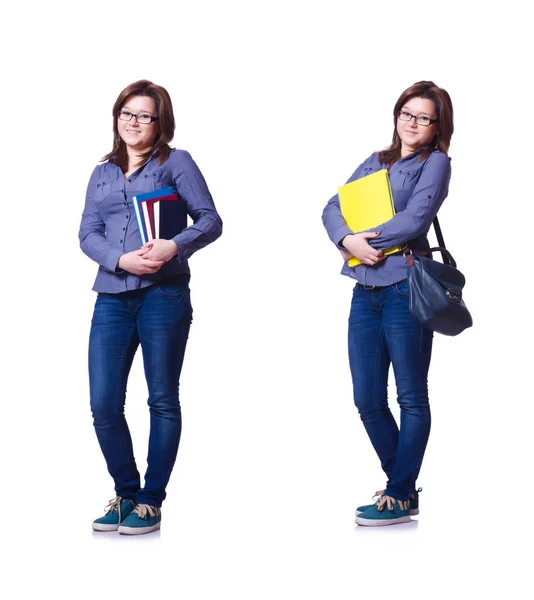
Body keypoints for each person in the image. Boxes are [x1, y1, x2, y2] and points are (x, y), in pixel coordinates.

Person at [79, 80, 222, 535]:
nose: (133, 122)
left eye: (143, 115)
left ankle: (150, 501)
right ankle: (124, 493)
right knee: (103, 402)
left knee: (161, 398)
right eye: (126, 113)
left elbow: (211, 220)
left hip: (163, 295)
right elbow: (87, 232)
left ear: (160, 122)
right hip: (112, 296)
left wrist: (172, 247)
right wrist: (119, 259)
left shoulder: (175, 162)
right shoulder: (102, 171)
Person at [322, 81, 454, 526]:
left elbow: (416, 218)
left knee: (411, 396)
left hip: (404, 287)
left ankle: (398, 493)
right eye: (406, 113)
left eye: (423, 117)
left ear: (437, 126)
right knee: (367, 399)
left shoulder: (435, 163)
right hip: (365, 290)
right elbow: (331, 206)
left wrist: (363, 244)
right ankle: (403, 488)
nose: (412, 123)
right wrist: (346, 239)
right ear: (396, 115)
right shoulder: (376, 161)